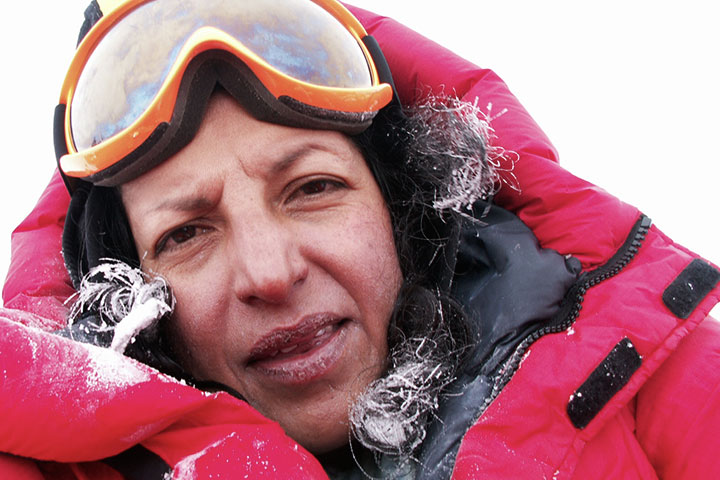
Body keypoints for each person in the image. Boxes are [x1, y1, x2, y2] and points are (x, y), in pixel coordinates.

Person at [1, 0, 719, 479]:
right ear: (125, 299)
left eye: (312, 188)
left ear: (403, 207)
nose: (271, 273)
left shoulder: (664, 386)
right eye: (186, 233)